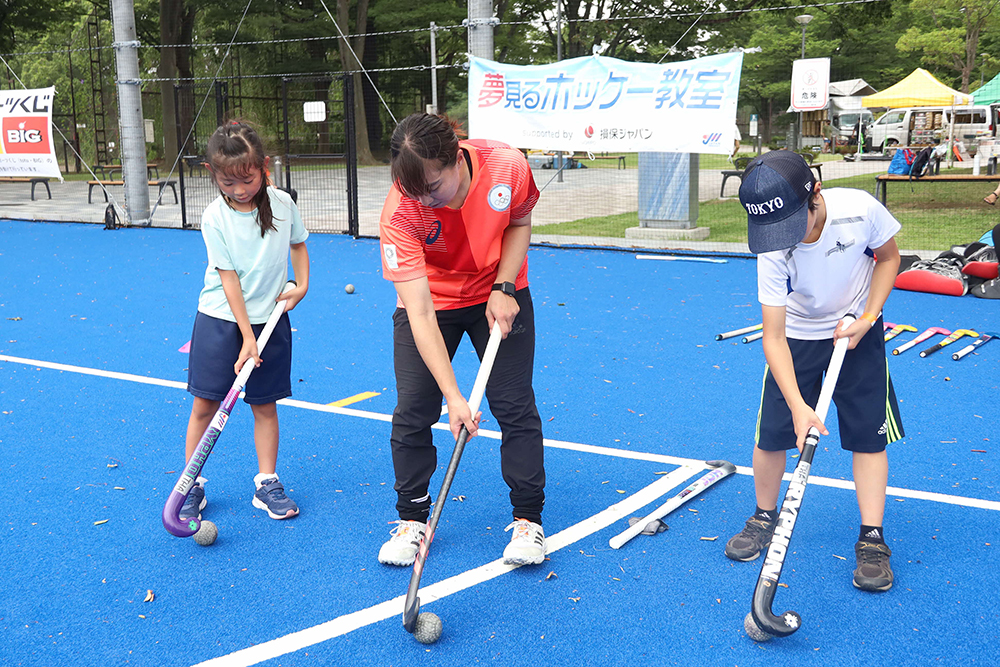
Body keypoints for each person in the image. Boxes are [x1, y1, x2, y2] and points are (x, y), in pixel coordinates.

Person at [726, 150, 904, 592]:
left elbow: (889, 259)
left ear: (816, 194)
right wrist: (799, 406)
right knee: (772, 432)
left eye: (792, 223)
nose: (785, 237)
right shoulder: (772, 244)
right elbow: (773, 336)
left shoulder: (860, 210)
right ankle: (764, 516)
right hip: (798, 335)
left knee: (868, 435)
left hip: (855, 330)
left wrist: (867, 318)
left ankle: (872, 538)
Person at [376, 113, 547, 567]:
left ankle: (529, 520)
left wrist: (505, 285)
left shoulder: (507, 166)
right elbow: (419, 310)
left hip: (499, 291)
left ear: (456, 159)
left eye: (433, 187)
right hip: (433, 301)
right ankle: (413, 519)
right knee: (414, 407)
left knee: (513, 403)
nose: (424, 200)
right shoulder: (401, 210)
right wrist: (454, 396)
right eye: (413, 191)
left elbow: (519, 222)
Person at [180, 121, 310, 523]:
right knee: (205, 404)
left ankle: (266, 482)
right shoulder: (214, 217)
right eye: (228, 182)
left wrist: (301, 285)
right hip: (221, 321)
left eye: (247, 179)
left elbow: (298, 244)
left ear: (263, 166)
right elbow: (229, 279)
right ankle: (191, 484)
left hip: (269, 321)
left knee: (264, 405)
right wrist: (245, 337)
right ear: (211, 173)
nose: (239, 189)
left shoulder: (283, 205)